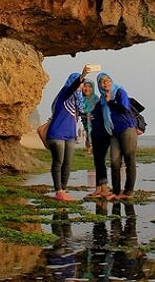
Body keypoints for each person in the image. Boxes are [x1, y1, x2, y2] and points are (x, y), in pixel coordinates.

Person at [92, 72, 138, 200]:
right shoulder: (102, 99)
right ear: (99, 85)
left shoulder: (119, 92)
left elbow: (124, 108)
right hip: (113, 132)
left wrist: (110, 102)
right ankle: (116, 192)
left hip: (126, 129)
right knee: (114, 161)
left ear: (111, 82)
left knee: (129, 159)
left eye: (107, 80)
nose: (105, 83)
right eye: (102, 82)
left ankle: (128, 191)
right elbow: (95, 114)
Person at [46, 65, 90, 201]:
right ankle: (58, 191)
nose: (81, 86)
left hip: (70, 135)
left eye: (83, 84)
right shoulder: (65, 92)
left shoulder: (78, 101)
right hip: (56, 134)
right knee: (58, 161)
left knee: (68, 163)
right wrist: (82, 76)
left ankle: (63, 190)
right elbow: (73, 87)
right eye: (80, 83)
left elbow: (84, 111)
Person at [79, 80, 100, 154]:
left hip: (95, 121)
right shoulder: (80, 99)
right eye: (85, 86)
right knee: (88, 134)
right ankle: (89, 149)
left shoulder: (96, 99)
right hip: (85, 120)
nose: (87, 89)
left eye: (89, 86)